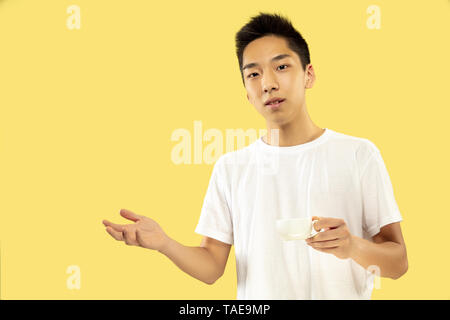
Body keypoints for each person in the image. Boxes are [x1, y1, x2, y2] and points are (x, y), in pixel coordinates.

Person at [102, 12, 408, 299]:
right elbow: (211, 266)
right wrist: (164, 244)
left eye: (282, 66)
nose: (268, 83)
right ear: (247, 92)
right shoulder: (231, 168)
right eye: (253, 74)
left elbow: (398, 262)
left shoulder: (358, 154)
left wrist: (351, 245)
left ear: (309, 75)